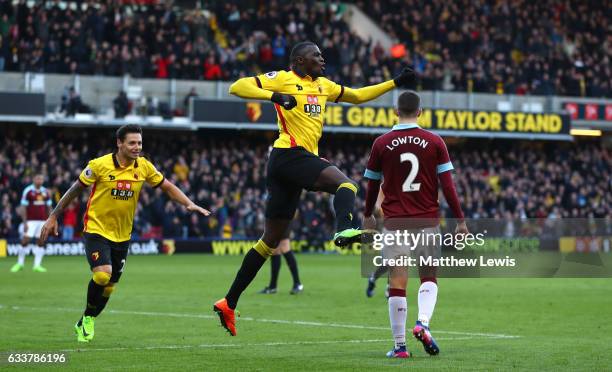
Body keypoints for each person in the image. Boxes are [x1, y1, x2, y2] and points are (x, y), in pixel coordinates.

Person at [213, 40, 415, 336]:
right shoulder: (284, 78)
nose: (322, 59)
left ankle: (228, 302)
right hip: (288, 154)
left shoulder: (324, 85)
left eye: (321, 55)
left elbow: (358, 96)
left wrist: (395, 82)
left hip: (290, 163)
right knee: (347, 185)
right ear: (298, 61)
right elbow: (237, 87)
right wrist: (276, 97)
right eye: (315, 56)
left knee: (270, 241)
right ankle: (344, 229)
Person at [38, 124, 210, 343]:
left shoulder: (144, 167)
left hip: (123, 236)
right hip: (96, 229)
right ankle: (89, 320)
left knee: (109, 287)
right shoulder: (98, 165)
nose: (137, 147)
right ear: (119, 143)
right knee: (102, 274)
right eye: (132, 143)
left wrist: (189, 203)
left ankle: (86, 319)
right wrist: (53, 215)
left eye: (139, 143)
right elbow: (74, 190)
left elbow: (167, 186)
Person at [362, 91, 468, 358]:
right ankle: (423, 323)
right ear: (420, 112)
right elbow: (448, 186)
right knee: (428, 277)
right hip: (427, 221)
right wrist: (460, 221)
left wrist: (367, 215)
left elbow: (372, 185)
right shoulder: (434, 142)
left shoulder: (381, 143)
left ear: (395, 112)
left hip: (395, 223)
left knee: (397, 283)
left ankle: (400, 347)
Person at [10, 173, 52, 273]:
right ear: (34, 179)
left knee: (41, 241)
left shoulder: (45, 192)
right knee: (25, 240)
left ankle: (37, 265)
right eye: (37, 178)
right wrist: (24, 222)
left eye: (41, 179)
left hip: (42, 221)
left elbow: (49, 207)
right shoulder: (28, 191)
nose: (39, 181)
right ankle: (19, 263)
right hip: (30, 221)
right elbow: (23, 207)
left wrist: (50, 221)